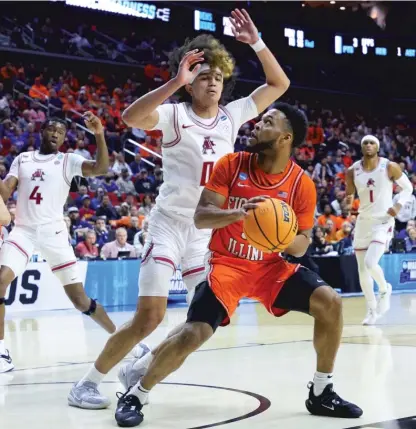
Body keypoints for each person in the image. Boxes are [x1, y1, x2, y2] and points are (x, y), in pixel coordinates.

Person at [69, 8, 290, 409]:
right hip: (169, 226)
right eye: (204, 76)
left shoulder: (232, 115)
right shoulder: (174, 113)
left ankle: (142, 366)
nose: (213, 83)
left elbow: (279, 82)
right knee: (149, 317)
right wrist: (175, 81)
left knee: (207, 319)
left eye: (218, 77)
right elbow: (130, 116)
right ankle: (86, 383)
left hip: (204, 234)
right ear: (190, 83)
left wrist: (256, 42)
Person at [114, 103, 363, 427]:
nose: (257, 125)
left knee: (330, 302)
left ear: (285, 137)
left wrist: (279, 235)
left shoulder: (301, 183)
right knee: (194, 332)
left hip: (270, 267)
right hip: (226, 265)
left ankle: (321, 391)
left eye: (267, 122)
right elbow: (202, 217)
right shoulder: (232, 165)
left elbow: (302, 244)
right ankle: (136, 394)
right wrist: (238, 213)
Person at [0, 113, 116, 374]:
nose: (55, 134)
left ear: (64, 139)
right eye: (51, 129)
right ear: (41, 132)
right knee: (0, 279)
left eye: (60, 132)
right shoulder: (23, 159)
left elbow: (101, 168)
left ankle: (119, 336)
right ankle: (2, 352)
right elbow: (5, 191)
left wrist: (99, 134)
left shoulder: (68, 161)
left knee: (80, 300)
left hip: (53, 234)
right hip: (24, 231)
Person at [346, 135, 413, 325]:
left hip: (383, 220)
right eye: (365, 142)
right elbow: (349, 195)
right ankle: (372, 309)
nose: (368, 145)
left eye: (371, 142)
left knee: (369, 262)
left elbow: (407, 188)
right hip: (363, 221)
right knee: (362, 270)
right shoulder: (352, 171)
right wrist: (347, 203)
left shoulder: (389, 166)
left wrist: (398, 206)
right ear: (361, 147)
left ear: (377, 147)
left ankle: (384, 289)